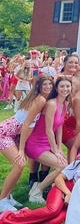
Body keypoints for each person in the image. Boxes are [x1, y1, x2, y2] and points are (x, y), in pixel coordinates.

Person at [0, 135, 80, 224]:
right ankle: (6, 219)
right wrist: (68, 193)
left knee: (51, 223)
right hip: (64, 187)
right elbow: (59, 178)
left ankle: (25, 214)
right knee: (52, 210)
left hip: (79, 197)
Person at [0, 76, 54, 212]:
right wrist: (21, 149)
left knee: (19, 165)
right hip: (5, 133)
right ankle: (2, 200)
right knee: (19, 164)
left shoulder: (40, 99)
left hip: (13, 133)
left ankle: (8, 196)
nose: (48, 87)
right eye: (44, 84)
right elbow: (26, 125)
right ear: (39, 87)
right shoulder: (40, 100)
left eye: (50, 84)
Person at [26, 77, 72, 203]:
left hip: (47, 143)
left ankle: (42, 186)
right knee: (62, 166)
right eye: (62, 86)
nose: (65, 89)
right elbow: (48, 129)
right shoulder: (51, 104)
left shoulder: (65, 103)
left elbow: (59, 127)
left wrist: (59, 147)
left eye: (68, 86)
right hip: (36, 144)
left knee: (66, 165)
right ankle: (36, 191)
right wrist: (55, 150)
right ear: (56, 88)